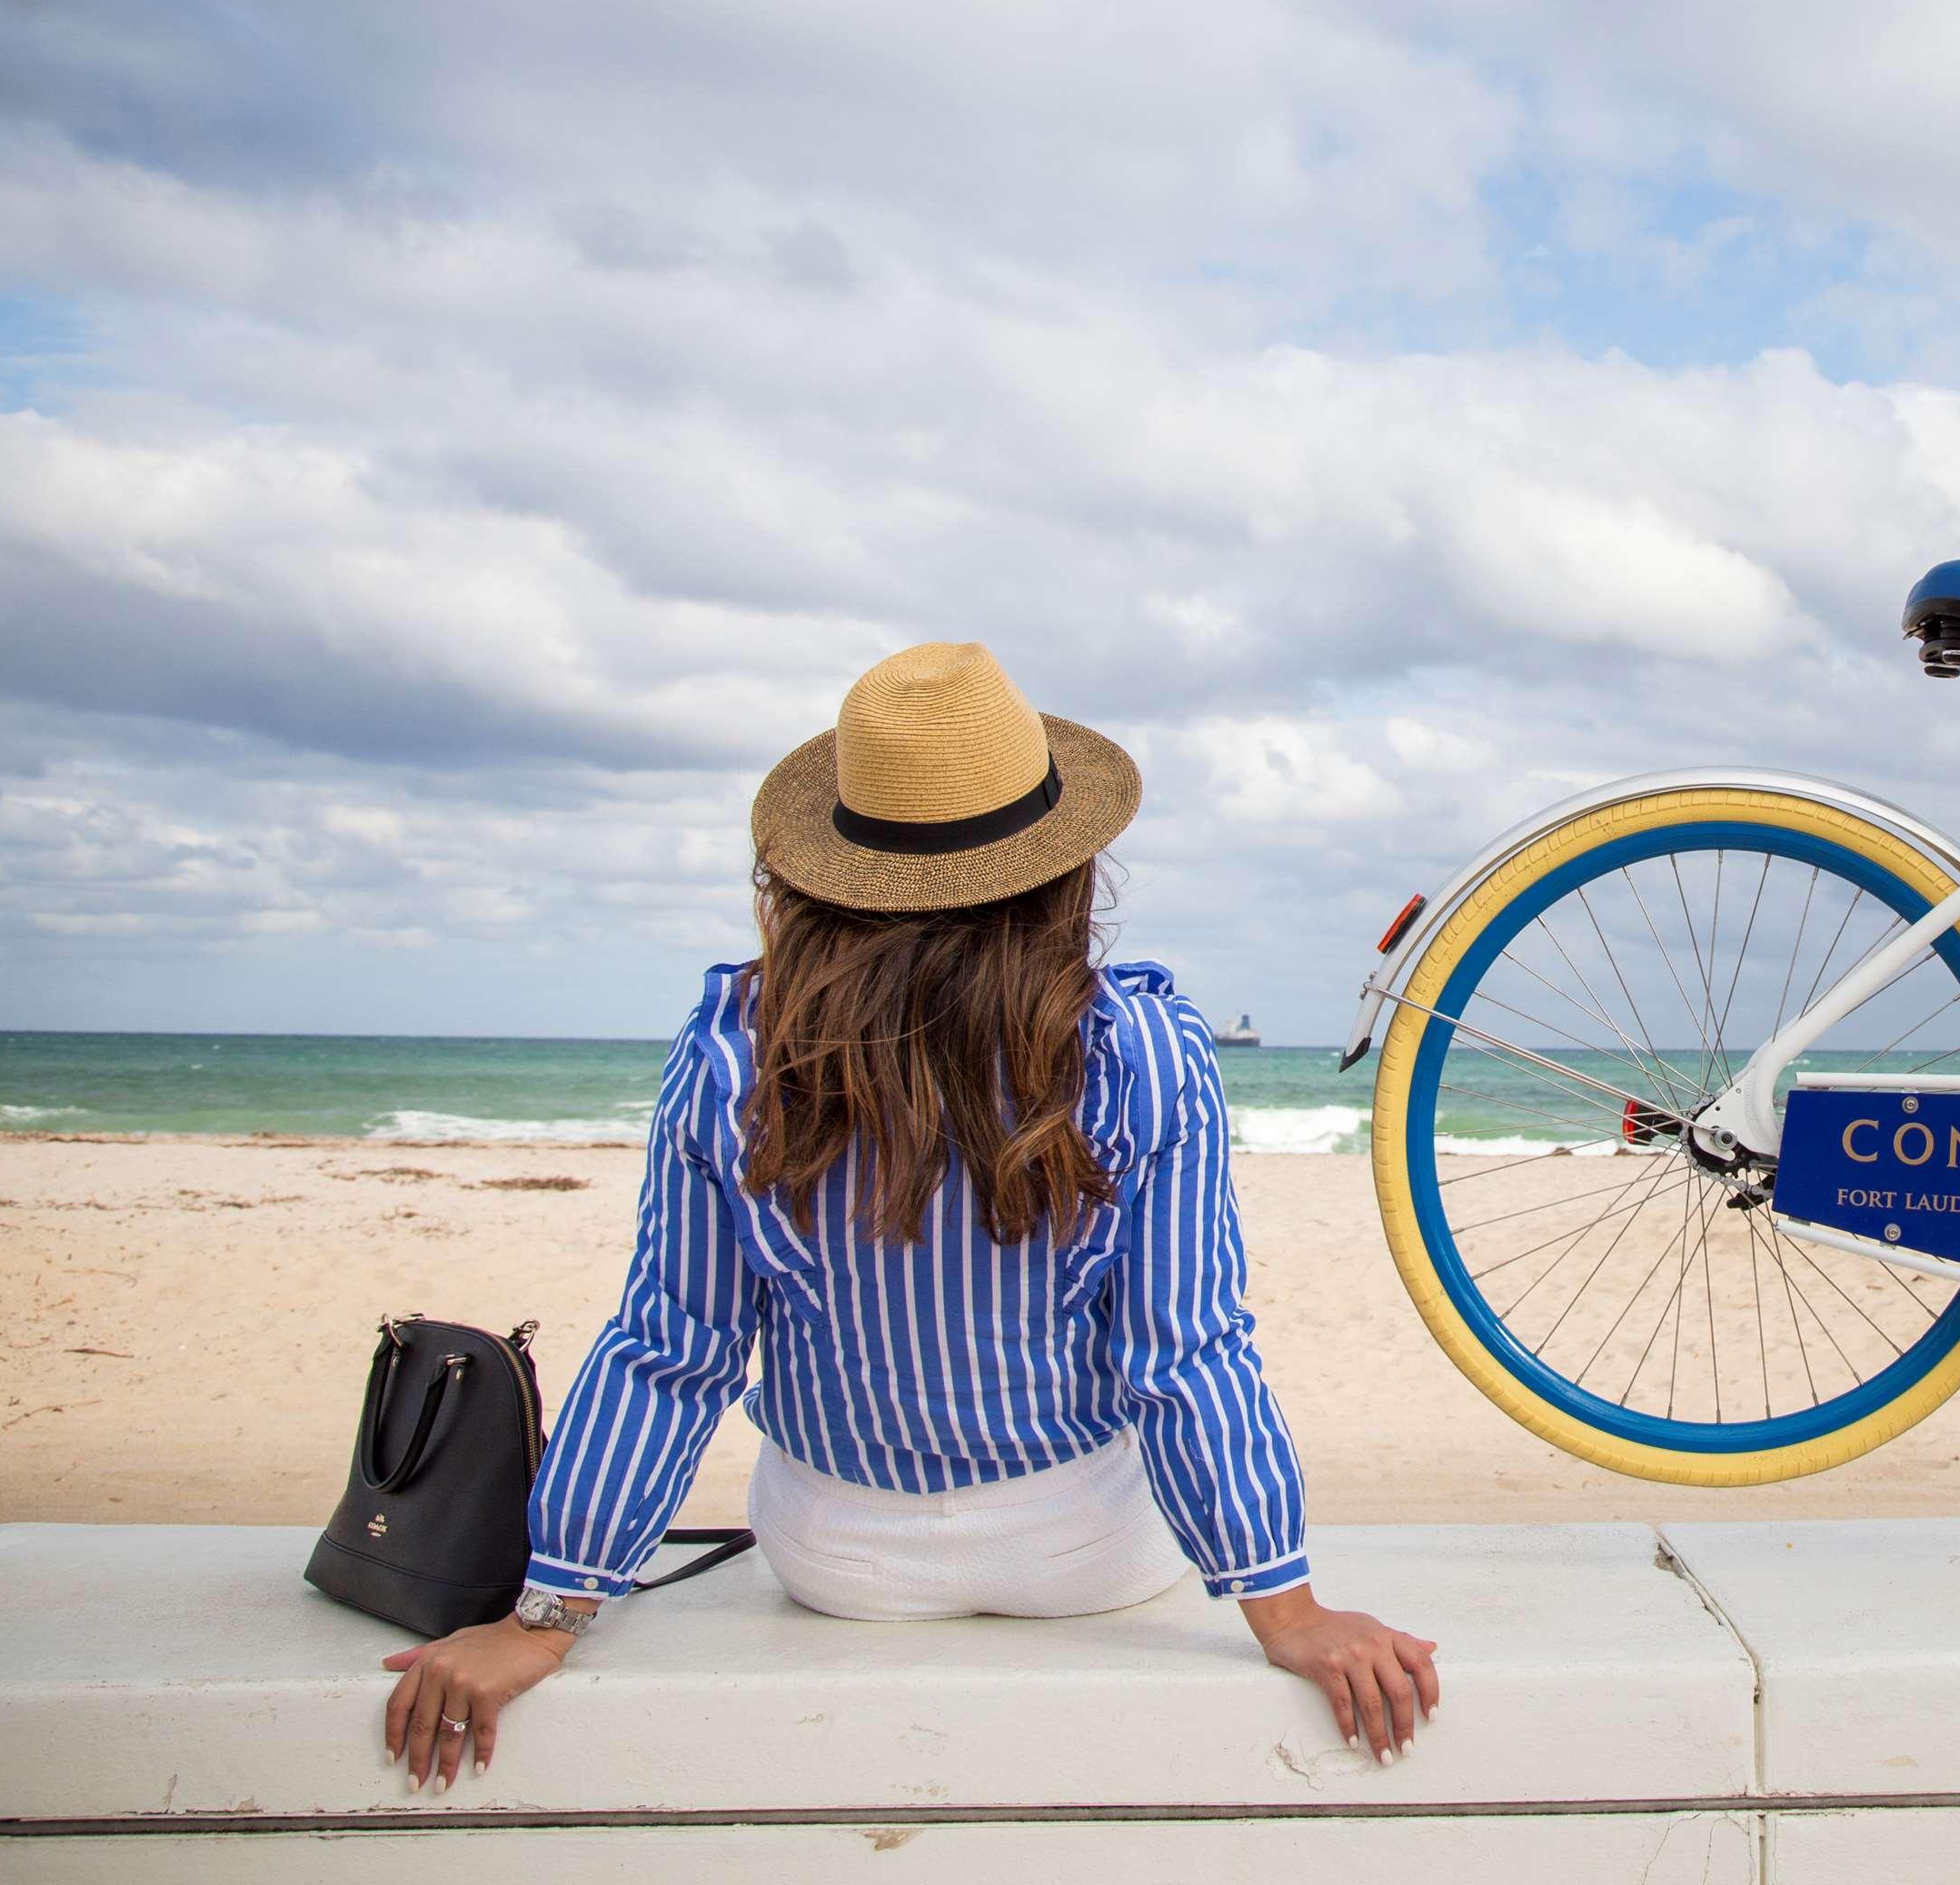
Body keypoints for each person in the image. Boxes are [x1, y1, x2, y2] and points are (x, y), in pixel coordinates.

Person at [377, 642, 1438, 1789]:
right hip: (1085, 1549)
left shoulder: (737, 1055)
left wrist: (545, 1616)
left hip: (840, 1555)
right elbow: (1185, 1355)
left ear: (833, 869)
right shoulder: (1144, 1054)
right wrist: (1286, 1609)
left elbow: (671, 1351)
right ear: (1064, 868)